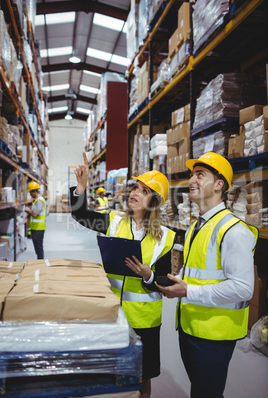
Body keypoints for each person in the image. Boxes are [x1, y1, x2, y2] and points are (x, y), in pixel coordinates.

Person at [70, 152, 176, 398]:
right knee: (114, 371)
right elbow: (81, 215)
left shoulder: (166, 238)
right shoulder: (114, 220)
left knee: (143, 374)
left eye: (144, 191)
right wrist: (81, 186)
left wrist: (149, 275)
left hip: (145, 320)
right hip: (112, 312)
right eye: (135, 188)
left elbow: (164, 280)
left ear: (155, 201)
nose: (135, 193)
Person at [156, 152, 258, 398]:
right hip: (191, 327)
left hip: (215, 334)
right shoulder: (196, 226)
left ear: (219, 184)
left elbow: (244, 289)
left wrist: (188, 290)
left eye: (200, 174)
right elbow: (198, 274)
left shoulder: (233, 230)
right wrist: (178, 286)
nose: (192, 179)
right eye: (192, 174)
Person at [25, 181, 47, 259]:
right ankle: (40, 264)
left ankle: (40, 265)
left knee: (39, 249)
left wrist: (28, 210)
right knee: (38, 249)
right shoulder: (37, 200)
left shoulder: (39, 200)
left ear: (34, 191)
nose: (30, 194)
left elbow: (35, 214)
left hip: (38, 229)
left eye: (30, 192)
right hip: (36, 228)